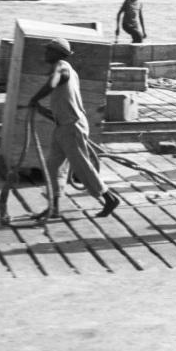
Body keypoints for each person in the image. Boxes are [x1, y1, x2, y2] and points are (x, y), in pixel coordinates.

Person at [27, 38, 122, 219]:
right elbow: (64, 106)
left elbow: (52, 83)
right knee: (53, 167)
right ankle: (54, 207)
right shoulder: (67, 71)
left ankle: (109, 198)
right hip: (64, 127)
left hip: (72, 127)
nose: (45, 53)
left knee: (81, 165)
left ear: (58, 53)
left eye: (49, 50)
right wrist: (41, 110)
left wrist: (34, 99)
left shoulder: (61, 67)